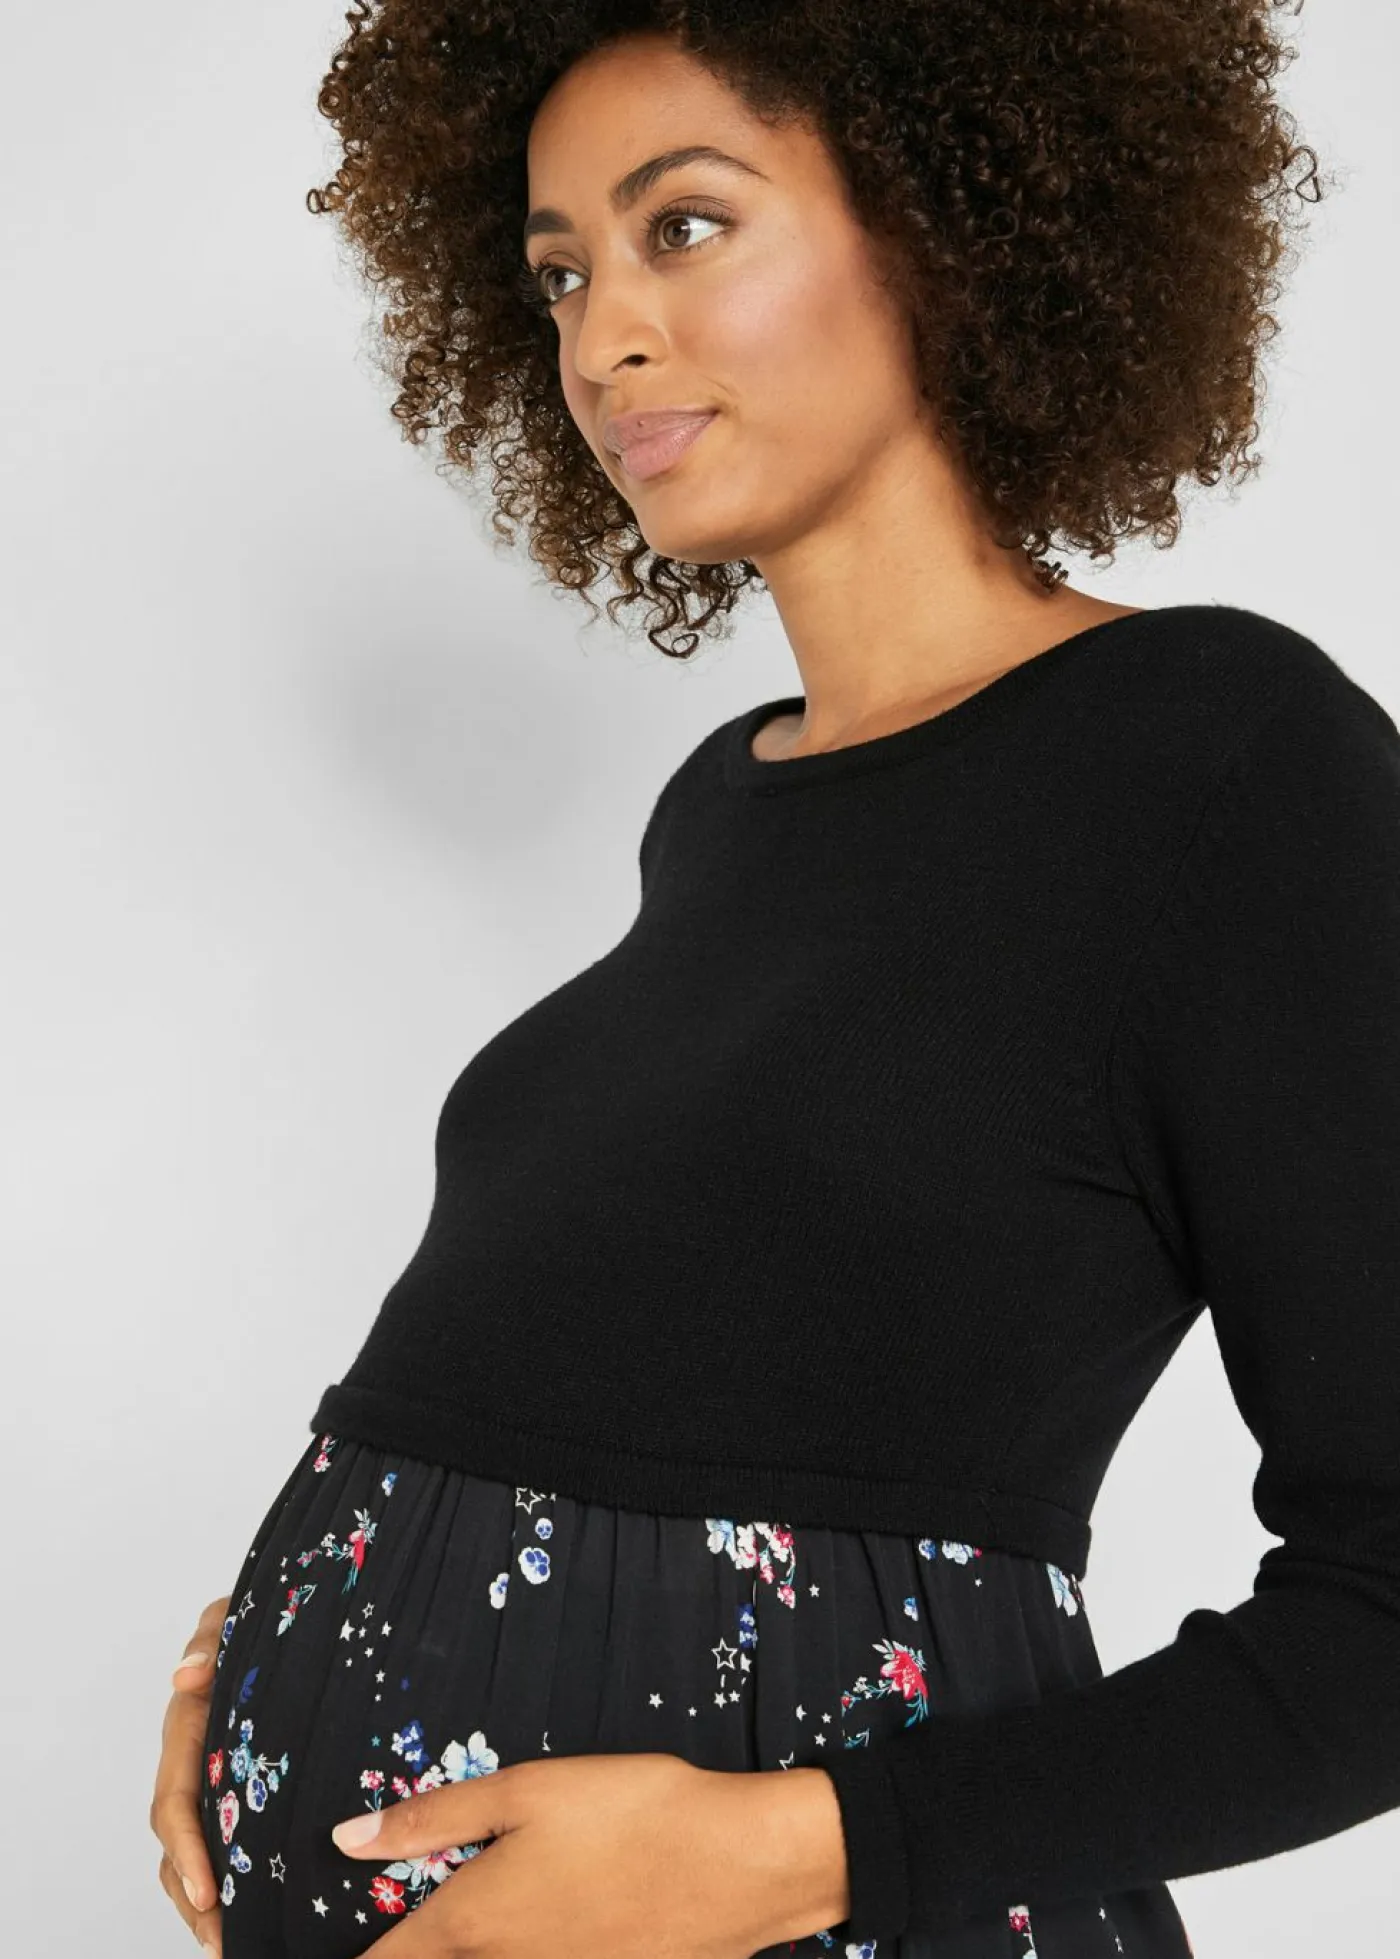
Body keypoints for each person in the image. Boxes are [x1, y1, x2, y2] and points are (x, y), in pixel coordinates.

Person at [151, 5, 1400, 1957]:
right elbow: (624, 1356)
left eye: (684, 226)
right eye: (559, 271)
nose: (599, 339)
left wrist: (792, 1854)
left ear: (945, 221)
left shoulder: (1221, 759)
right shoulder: (721, 808)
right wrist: (263, 1656)